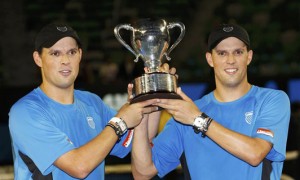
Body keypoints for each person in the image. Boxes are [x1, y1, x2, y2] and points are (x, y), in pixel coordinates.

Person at [131, 23, 291, 179]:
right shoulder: (186, 113)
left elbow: (255, 153)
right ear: (210, 59)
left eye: (238, 52)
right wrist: (142, 108)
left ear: (249, 57)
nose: (230, 60)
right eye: (222, 53)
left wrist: (198, 120)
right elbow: (142, 173)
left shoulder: (272, 99)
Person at [8, 22, 160, 179]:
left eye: (72, 52)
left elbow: (143, 138)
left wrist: (152, 94)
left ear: (80, 55)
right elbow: (78, 167)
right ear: (38, 59)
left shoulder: (91, 102)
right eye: (55, 54)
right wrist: (120, 122)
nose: (65, 60)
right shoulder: (25, 112)